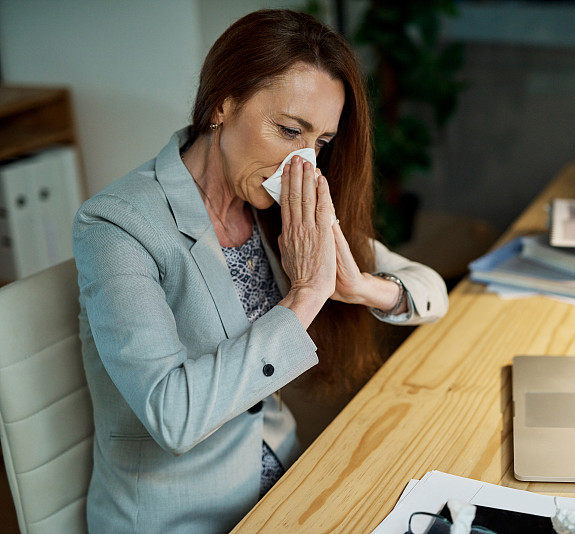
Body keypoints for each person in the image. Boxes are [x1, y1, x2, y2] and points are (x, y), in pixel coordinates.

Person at [72, 9, 448, 533]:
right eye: (289, 130)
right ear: (223, 104)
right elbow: (172, 416)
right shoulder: (117, 225)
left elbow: (430, 290)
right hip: (183, 518)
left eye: (320, 142)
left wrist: (360, 287)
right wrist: (306, 297)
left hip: (281, 479)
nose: (304, 164)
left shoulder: (277, 204)